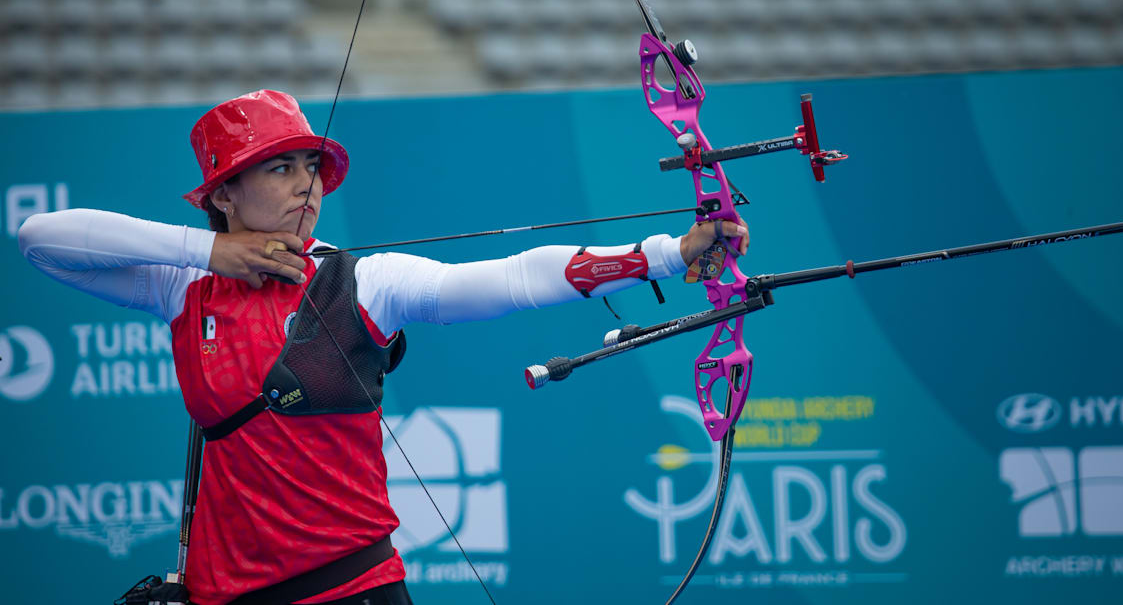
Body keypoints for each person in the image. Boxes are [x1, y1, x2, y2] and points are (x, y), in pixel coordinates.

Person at [18, 90, 748, 605]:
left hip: (352, 592)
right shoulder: (183, 288)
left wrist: (665, 252)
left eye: (311, 168)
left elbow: (509, 280)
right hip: (223, 597)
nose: (307, 186)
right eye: (280, 168)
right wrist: (211, 253)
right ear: (223, 195)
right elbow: (39, 240)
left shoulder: (364, 283)